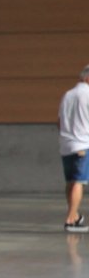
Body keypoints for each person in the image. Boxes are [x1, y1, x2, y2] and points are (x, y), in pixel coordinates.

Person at [59, 65, 89, 232]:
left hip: (66, 145)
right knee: (79, 182)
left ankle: (75, 215)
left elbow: (59, 121)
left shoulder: (67, 94)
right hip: (82, 144)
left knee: (71, 182)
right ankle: (70, 220)